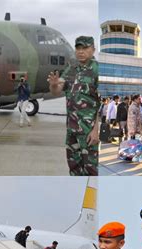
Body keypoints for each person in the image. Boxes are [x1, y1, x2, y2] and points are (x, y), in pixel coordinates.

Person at [48, 36, 100, 176]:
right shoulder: (72, 68)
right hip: (71, 129)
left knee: (90, 169)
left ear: (93, 50)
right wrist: (53, 85)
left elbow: (101, 102)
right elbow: (57, 90)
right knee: (74, 167)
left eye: (85, 48)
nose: (81, 51)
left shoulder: (97, 70)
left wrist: (96, 129)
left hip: (88, 130)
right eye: (78, 48)